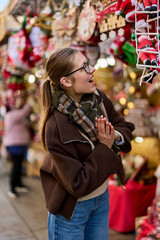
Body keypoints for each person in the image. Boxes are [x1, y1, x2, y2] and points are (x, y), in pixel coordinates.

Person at [39, 48, 135, 240]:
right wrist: (105, 146)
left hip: (101, 198)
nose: (92, 69)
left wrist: (114, 135)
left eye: (88, 63)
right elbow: (78, 184)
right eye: (83, 67)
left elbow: (124, 126)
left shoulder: (98, 98)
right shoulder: (55, 127)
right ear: (66, 81)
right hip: (72, 209)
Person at [3, 92, 33, 199]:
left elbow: (24, 124)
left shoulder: (15, 116)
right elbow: (24, 112)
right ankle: (12, 188)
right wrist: (30, 101)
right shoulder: (11, 115)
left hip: (19, 145)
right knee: (16, 166)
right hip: (14, 145)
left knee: (19, 165)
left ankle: (18, 184)